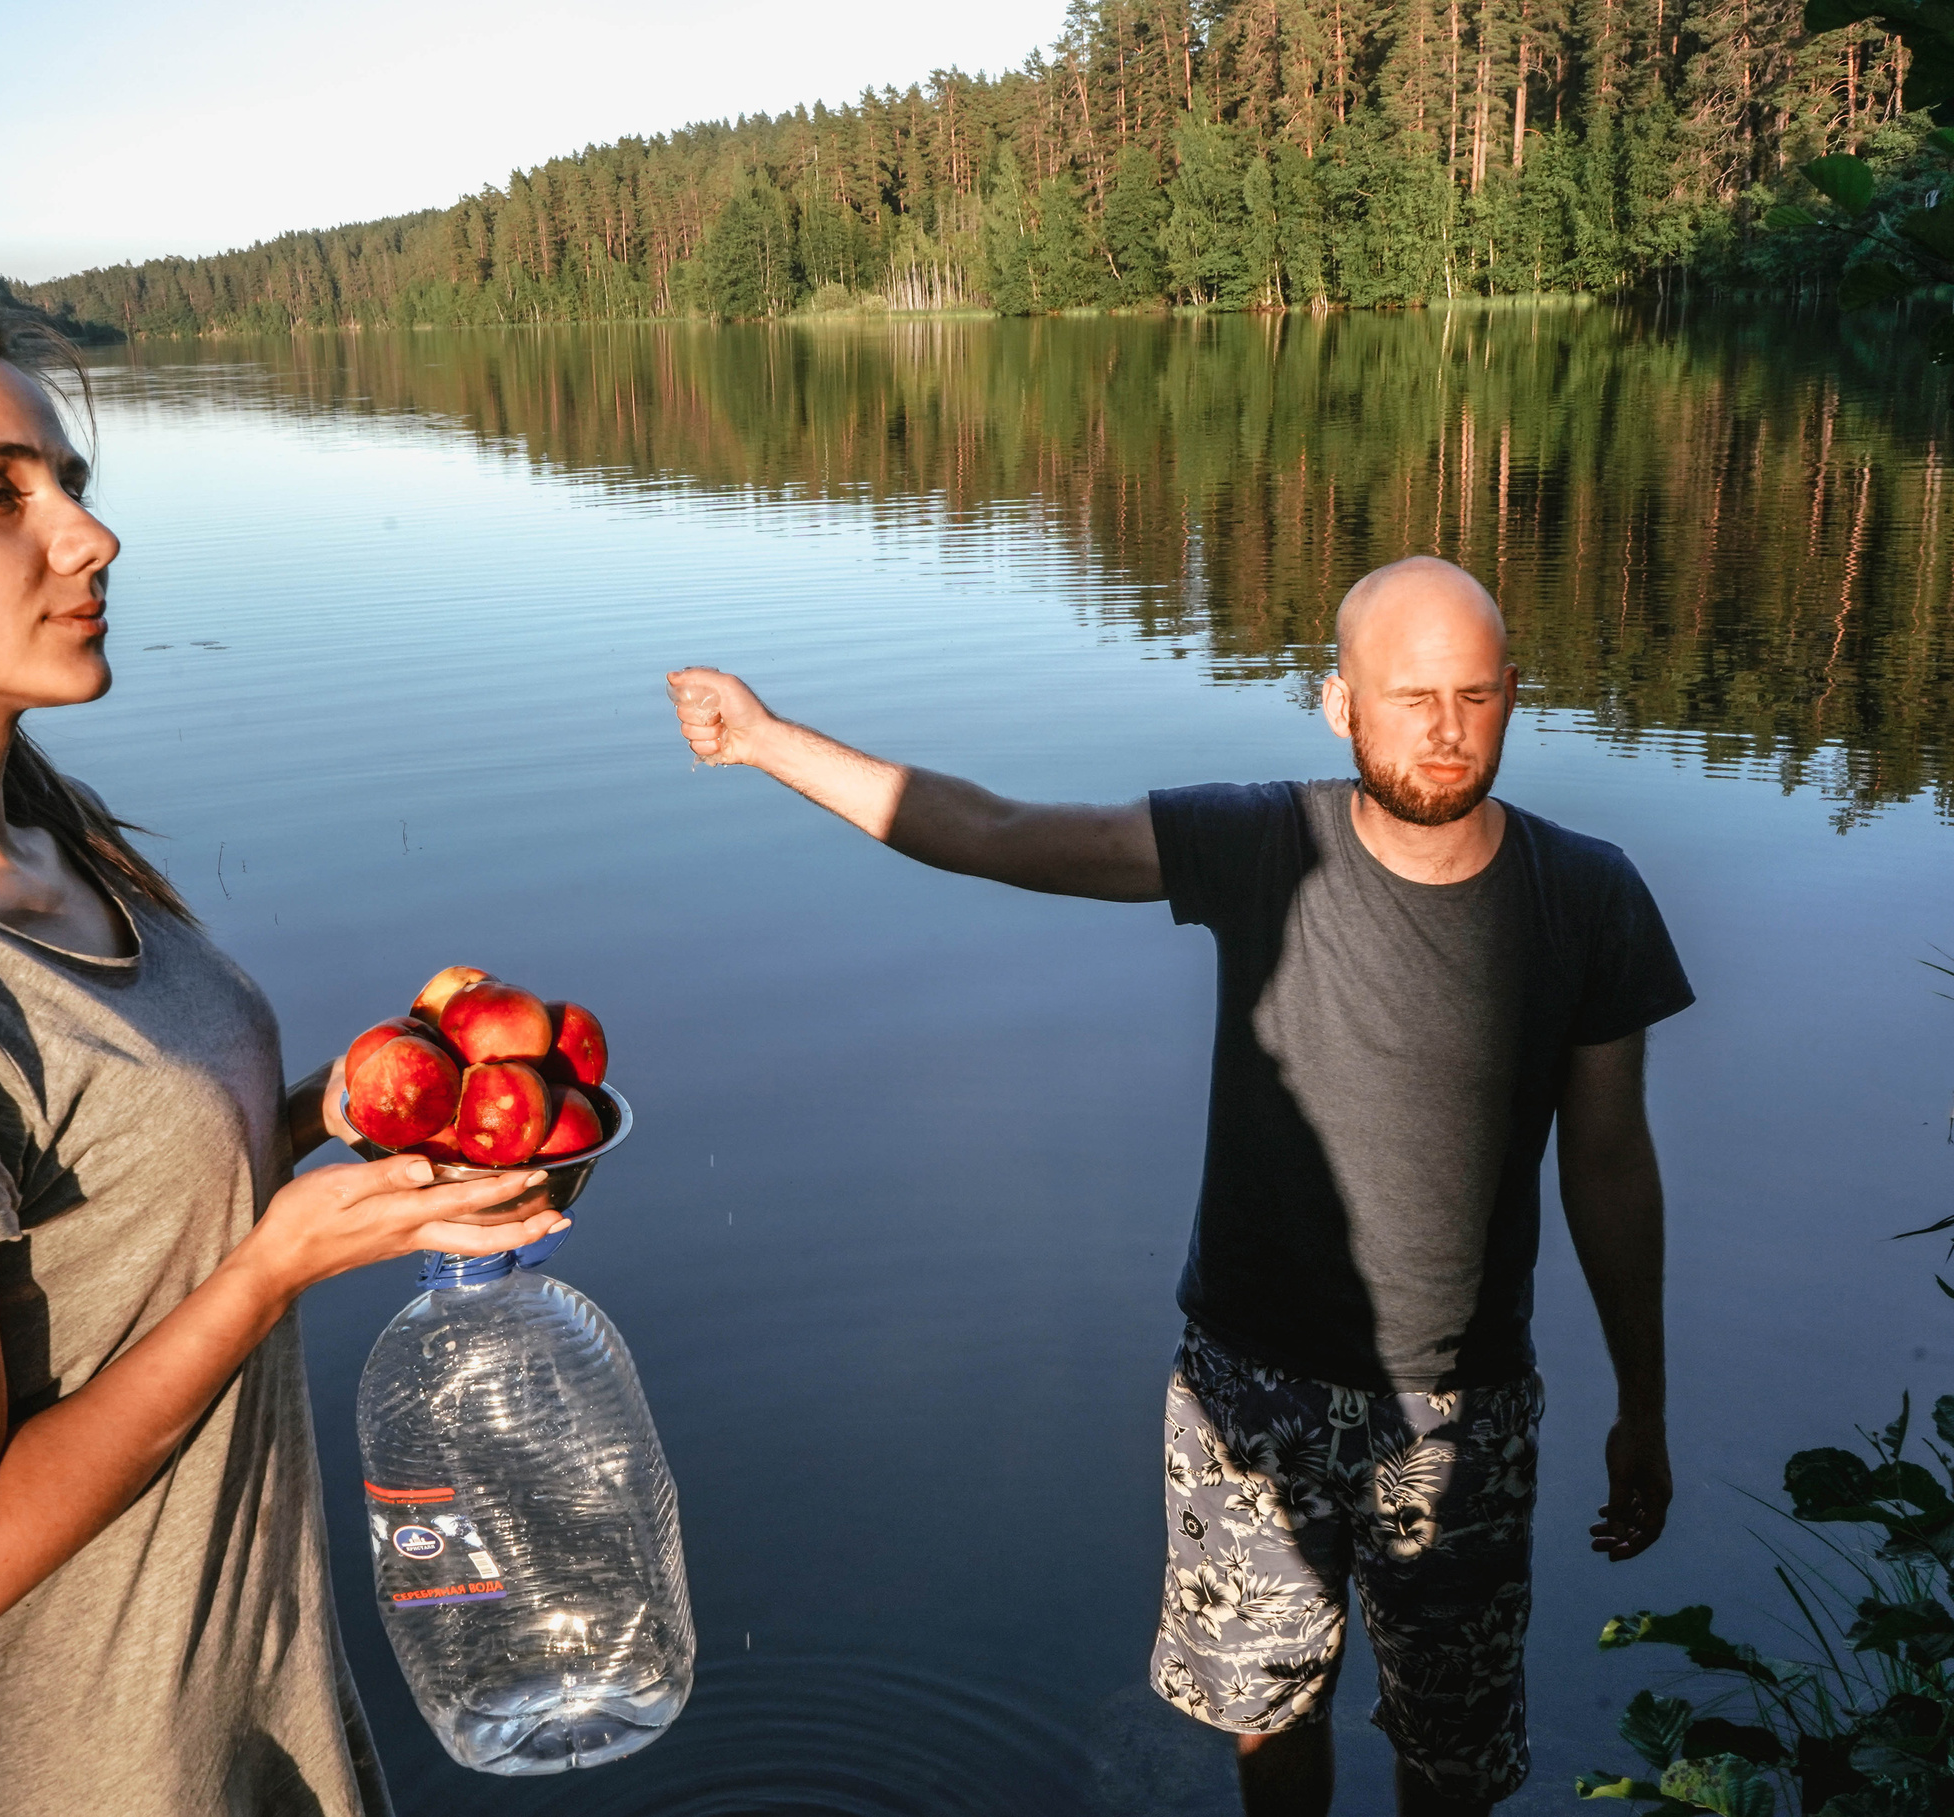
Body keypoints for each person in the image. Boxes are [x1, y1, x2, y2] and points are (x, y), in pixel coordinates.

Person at [0, 300, 567, 1817]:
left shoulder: (49, 839)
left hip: (235, 1713)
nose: (89, 539)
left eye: (68, 485)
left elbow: (106, 1203)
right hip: (67, 1770)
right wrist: (272, 1270)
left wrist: (342, 1119)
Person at [665, 556, 1690, 1817]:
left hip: (1461, 1409)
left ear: (1515, 693)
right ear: (1338, 703)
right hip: (1247, 1386)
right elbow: (997, 834)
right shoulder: (1259, 843)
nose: (1444, 729)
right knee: (1270, 1715)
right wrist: (765, 739)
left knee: (1452, 1753)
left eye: (1474, 695)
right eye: (1410, 696)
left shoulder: (1586, 893)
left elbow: (1609, 1164)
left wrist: (1642, 1402)